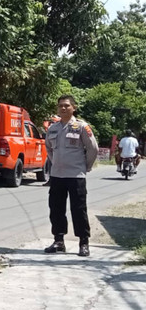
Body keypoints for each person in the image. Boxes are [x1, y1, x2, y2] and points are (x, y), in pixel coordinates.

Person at [44, 95, 98, 257]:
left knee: (79, 209)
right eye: (60, 106)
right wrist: (56, 164)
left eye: (67, 106)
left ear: (74, 108)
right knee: (56, 209)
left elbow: (93, 149)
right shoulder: (53, 128)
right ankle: (59, 241)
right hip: (57, 175)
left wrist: (85, 167)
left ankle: (83, 243)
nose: (63, 108)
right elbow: (49, 149)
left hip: (76, 175)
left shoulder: (81, 127)